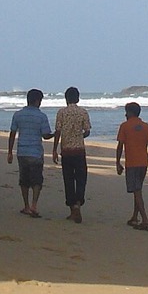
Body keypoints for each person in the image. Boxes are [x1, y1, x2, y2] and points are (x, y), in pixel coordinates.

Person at [7, 89, 55, 217]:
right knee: (37, 180)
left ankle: (26, 206)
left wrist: (10, 152)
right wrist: (55, 134)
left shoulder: (18, 114)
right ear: (37, 101)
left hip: (22, 151)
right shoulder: (41, 116)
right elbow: (45, 135)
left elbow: (12, 134)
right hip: (36, 152)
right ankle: (34, 204)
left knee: (24, 180)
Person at [115, 101, 148, 230]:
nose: (125, 114)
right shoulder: (146, 126)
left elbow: (120, 146)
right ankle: (135, 217)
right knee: (137, 189)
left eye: (126, 112)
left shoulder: (125, 126)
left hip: (132, 163)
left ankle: (145, 219)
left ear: (130, 113)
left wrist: (117, 163)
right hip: (143, 163)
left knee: (137, 191)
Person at [53, 87, 93, 223]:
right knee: (81, 179)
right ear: (78, 98)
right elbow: (87, 131)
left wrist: (54, 149)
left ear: (66, 99)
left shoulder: (61, 112)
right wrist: (80, 135)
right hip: (79, 150)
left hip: (66, 151)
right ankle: (78, 204)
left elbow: (58, 131)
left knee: (68, 179)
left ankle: (72, 209)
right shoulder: (83, 112)